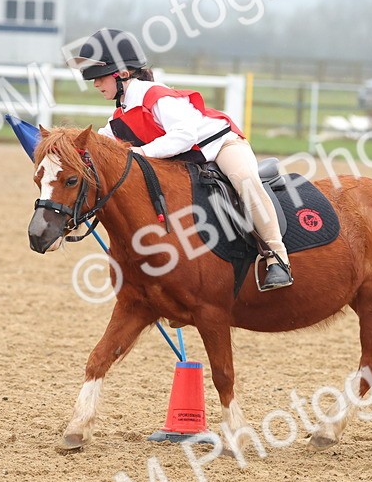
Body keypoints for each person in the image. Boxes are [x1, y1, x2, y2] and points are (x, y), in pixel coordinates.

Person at [69, 28, 292, 292]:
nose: (96, 84)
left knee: (245, 181)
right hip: (189, 160)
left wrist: (140, 153)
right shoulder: (121, 114)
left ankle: (277, 258)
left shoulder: (156, 96)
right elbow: (100, 145)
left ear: (123, 74)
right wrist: (64, 153)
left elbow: (185, 136)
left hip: (222, 145)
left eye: (100, 78)